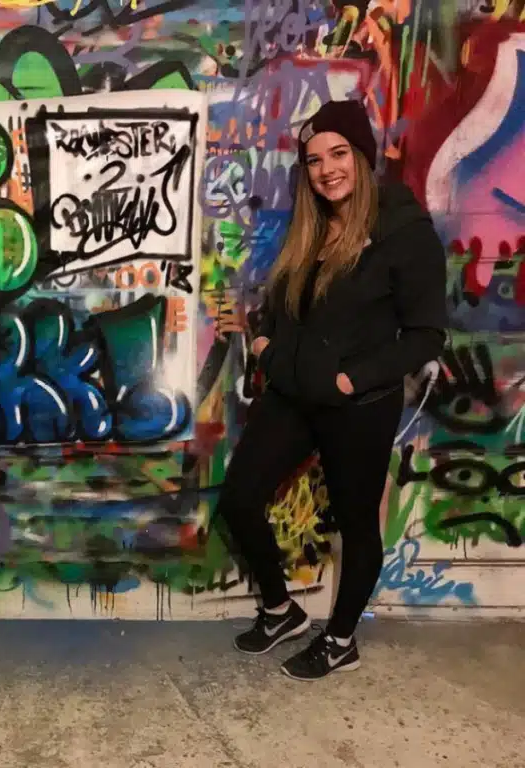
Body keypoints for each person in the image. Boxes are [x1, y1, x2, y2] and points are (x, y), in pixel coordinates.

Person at [217, 99, 448, 681]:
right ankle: (281, 611)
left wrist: (352, 379)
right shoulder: (313, 226)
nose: (327, 170)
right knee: (239, 499)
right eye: (315, 160)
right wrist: (265, 342)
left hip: (358, 406)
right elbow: (284, 303)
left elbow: (427, 334)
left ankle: (341, 639)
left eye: (338, 154)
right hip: (294, 395)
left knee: (355, 523)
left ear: (362, 157)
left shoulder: (403, 232)